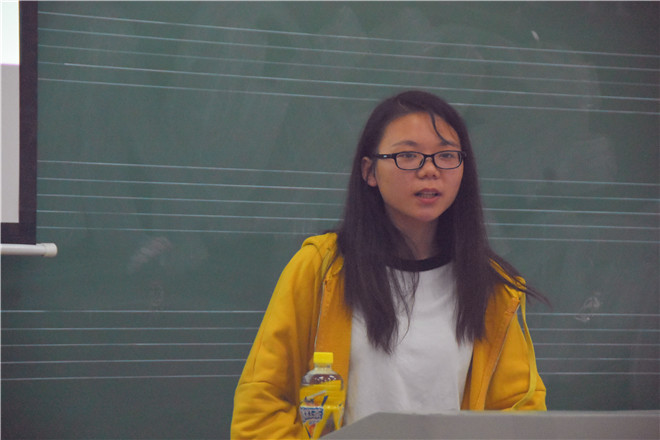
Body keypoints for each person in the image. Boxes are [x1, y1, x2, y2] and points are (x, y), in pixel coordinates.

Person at [231, 90, 547, 439]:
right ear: (369, 171)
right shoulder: (321, 269)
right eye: (408, 155)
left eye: (446, 156)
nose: (430, 170)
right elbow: (261, 407)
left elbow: (520, 416)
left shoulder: (493, 287)